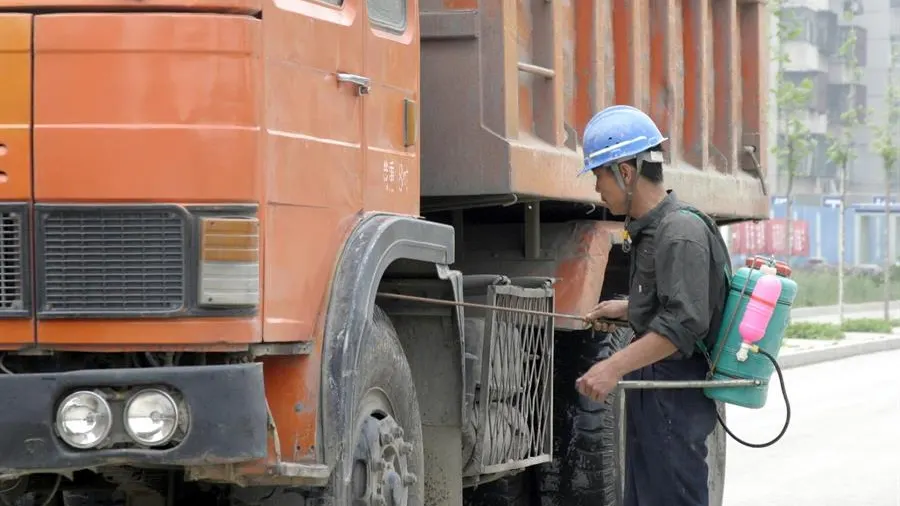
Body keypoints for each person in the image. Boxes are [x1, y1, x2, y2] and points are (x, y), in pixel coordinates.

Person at [573, 105, 732, 506]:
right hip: (657, 396)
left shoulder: (680, 233)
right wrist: (627, 309)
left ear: (625, 173)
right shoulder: (653, 230)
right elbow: (672, 303)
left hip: (674, 398)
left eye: (599, 177)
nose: (597, 190)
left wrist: (611, 366)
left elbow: (682, 326)